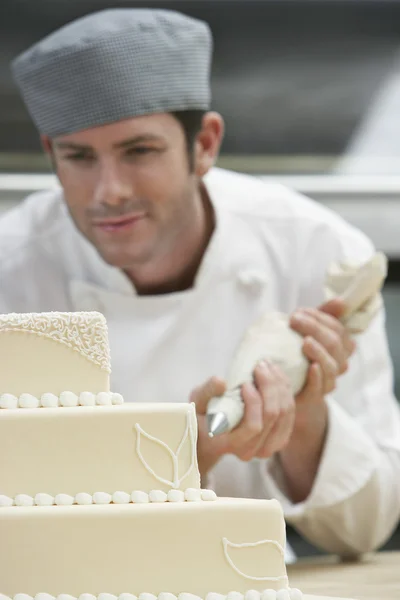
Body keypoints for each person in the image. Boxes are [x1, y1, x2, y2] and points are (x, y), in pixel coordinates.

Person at [2, 8, 400, 557]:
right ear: (50, 154)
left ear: (205, 144)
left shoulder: (316, 251)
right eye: (79, 157)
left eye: (139, 151)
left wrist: (308, 422)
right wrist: (190, 453)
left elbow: (365, 532)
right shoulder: (11, 266)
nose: (109, 191)